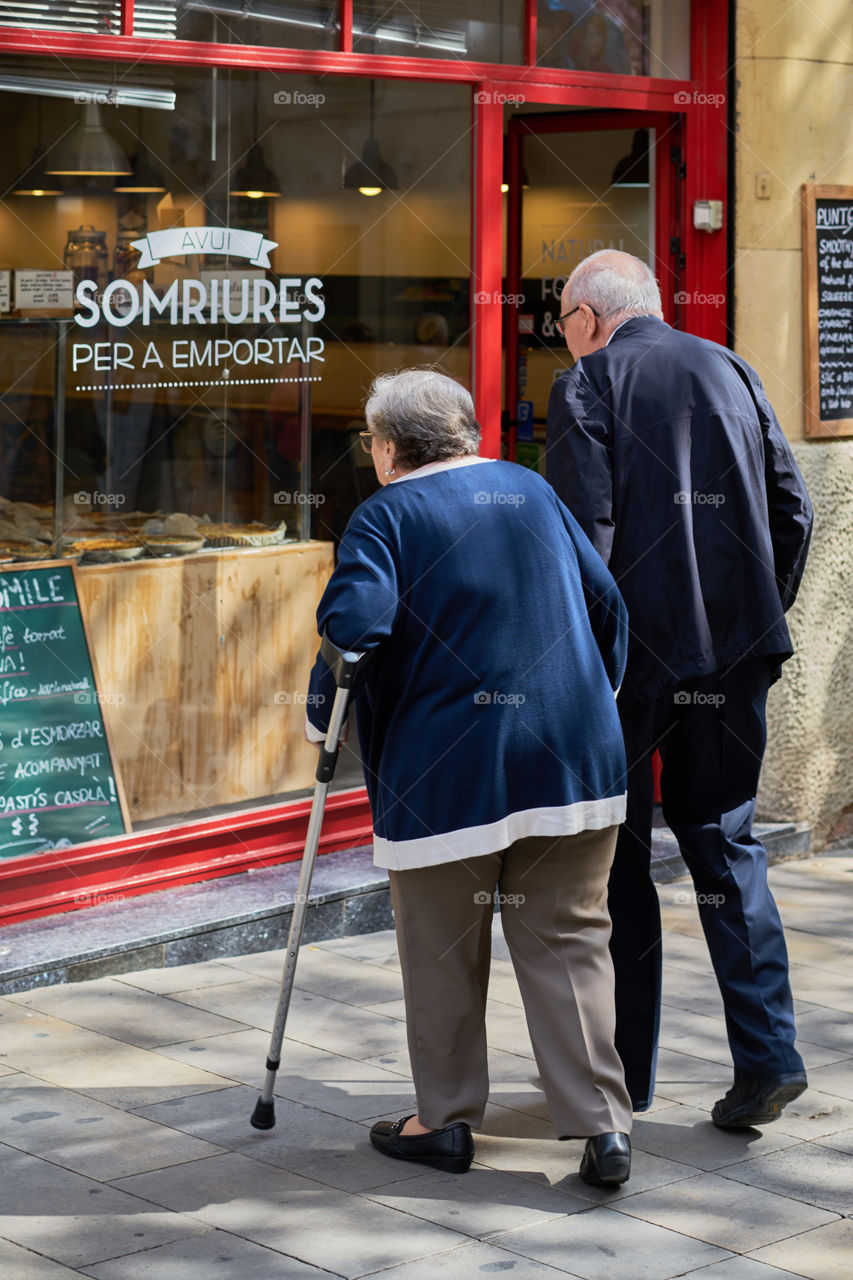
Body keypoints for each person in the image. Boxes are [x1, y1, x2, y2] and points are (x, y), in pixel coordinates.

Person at [305, 367, 633, 1185]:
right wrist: (590, 699)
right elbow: (607, 604)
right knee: (570, 941)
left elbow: (352, 629)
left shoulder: (386, 514)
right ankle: (602, 1128)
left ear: (387, 449)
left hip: (447, 774)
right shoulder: (529, 487)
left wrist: (321, 719)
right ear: (466, 431)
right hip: (571, 755)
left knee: (442, 946)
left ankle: (444, 1121)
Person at [545, 250, 813, 1128]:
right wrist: (754, 620)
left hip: (631, 669)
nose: (562, 335)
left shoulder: (586, 385)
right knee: (726, 847)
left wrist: (575, 668)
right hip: (733, 657)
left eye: (562, 319)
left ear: (589, 317)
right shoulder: (730, 366)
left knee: (615, 861)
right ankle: (767, 1057)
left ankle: (624, 1081)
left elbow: (584, 545)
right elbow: (792, 509)